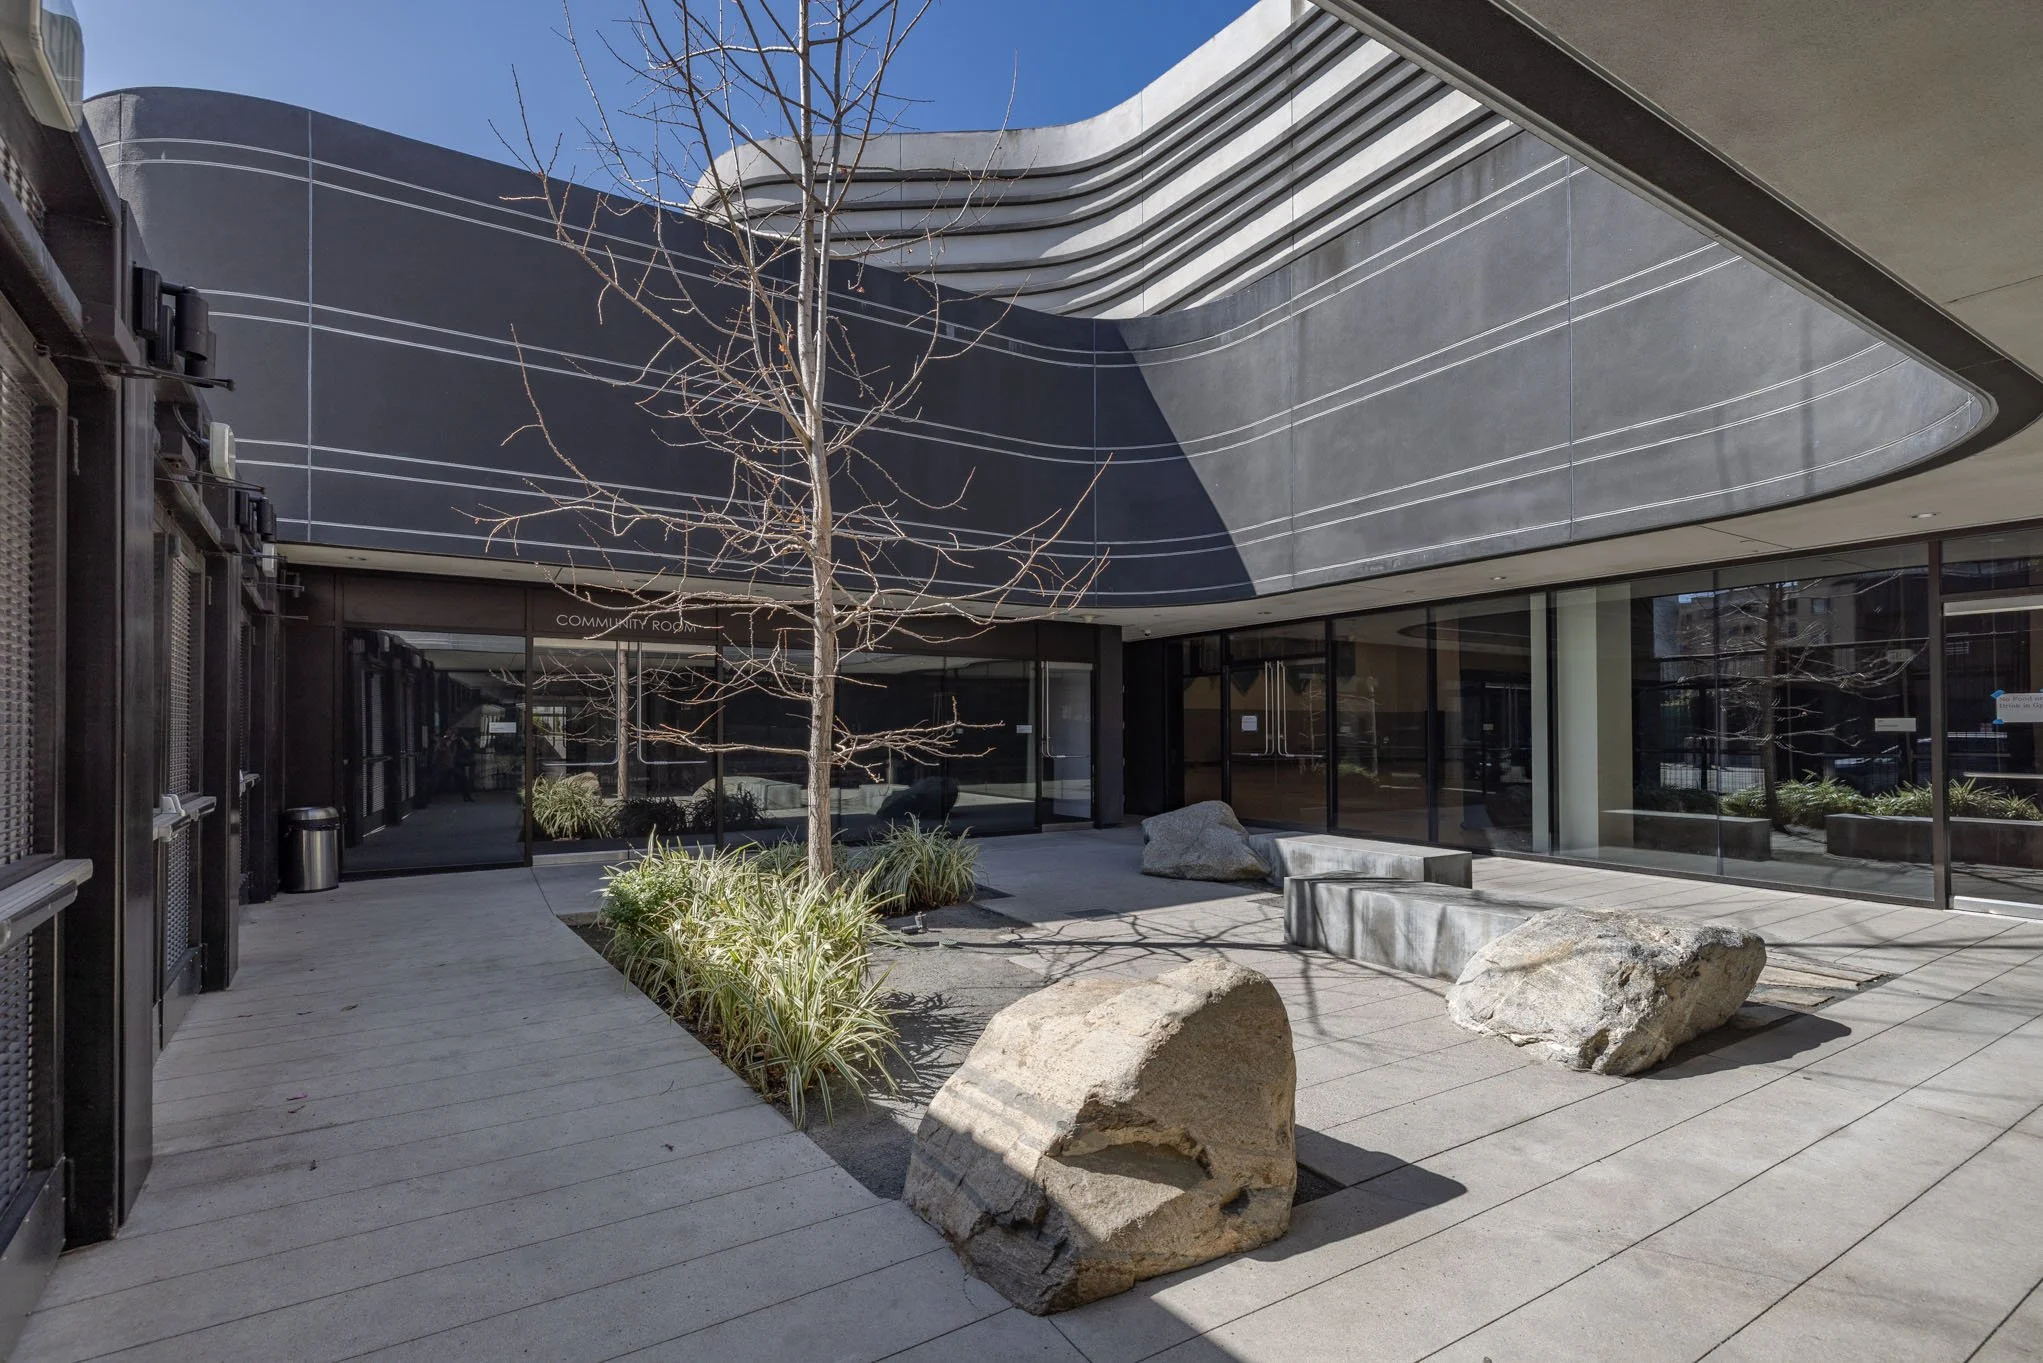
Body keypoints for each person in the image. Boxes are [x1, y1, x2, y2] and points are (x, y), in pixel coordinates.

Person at [453, 731, 476, 803]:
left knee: (465, 780)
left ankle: (466, 795)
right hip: (461, 763)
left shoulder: (463, 746)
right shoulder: (458, 745)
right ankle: (466, 795)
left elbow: (468, 747)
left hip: (463, 763)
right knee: (464, 780)